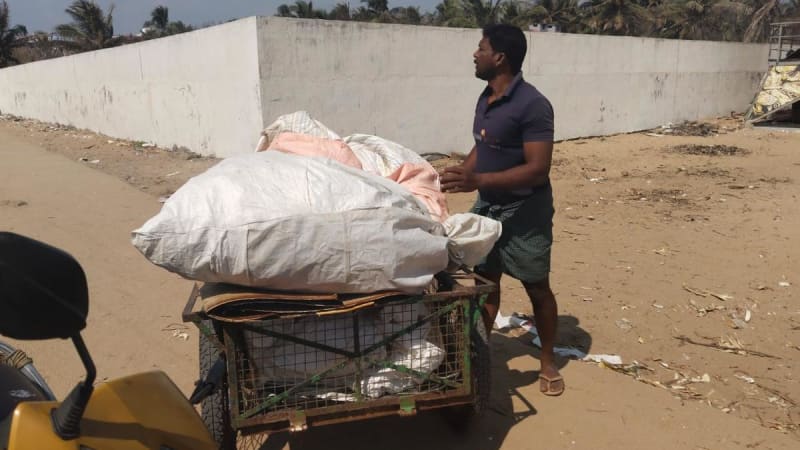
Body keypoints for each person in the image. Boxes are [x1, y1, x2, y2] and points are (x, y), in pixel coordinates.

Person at [440, 24, 563, 396]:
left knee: (536, 287)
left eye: (481, 48)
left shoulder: (533, 105)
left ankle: (547, 360)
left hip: (526, 212)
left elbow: (537, 168)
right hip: (490, 206)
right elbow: (484, 143)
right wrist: (468, 169)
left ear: (500, 57)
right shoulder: (486, 97)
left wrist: (479, 181)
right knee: (486, 281)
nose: (474, 54)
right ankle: (479, 355)